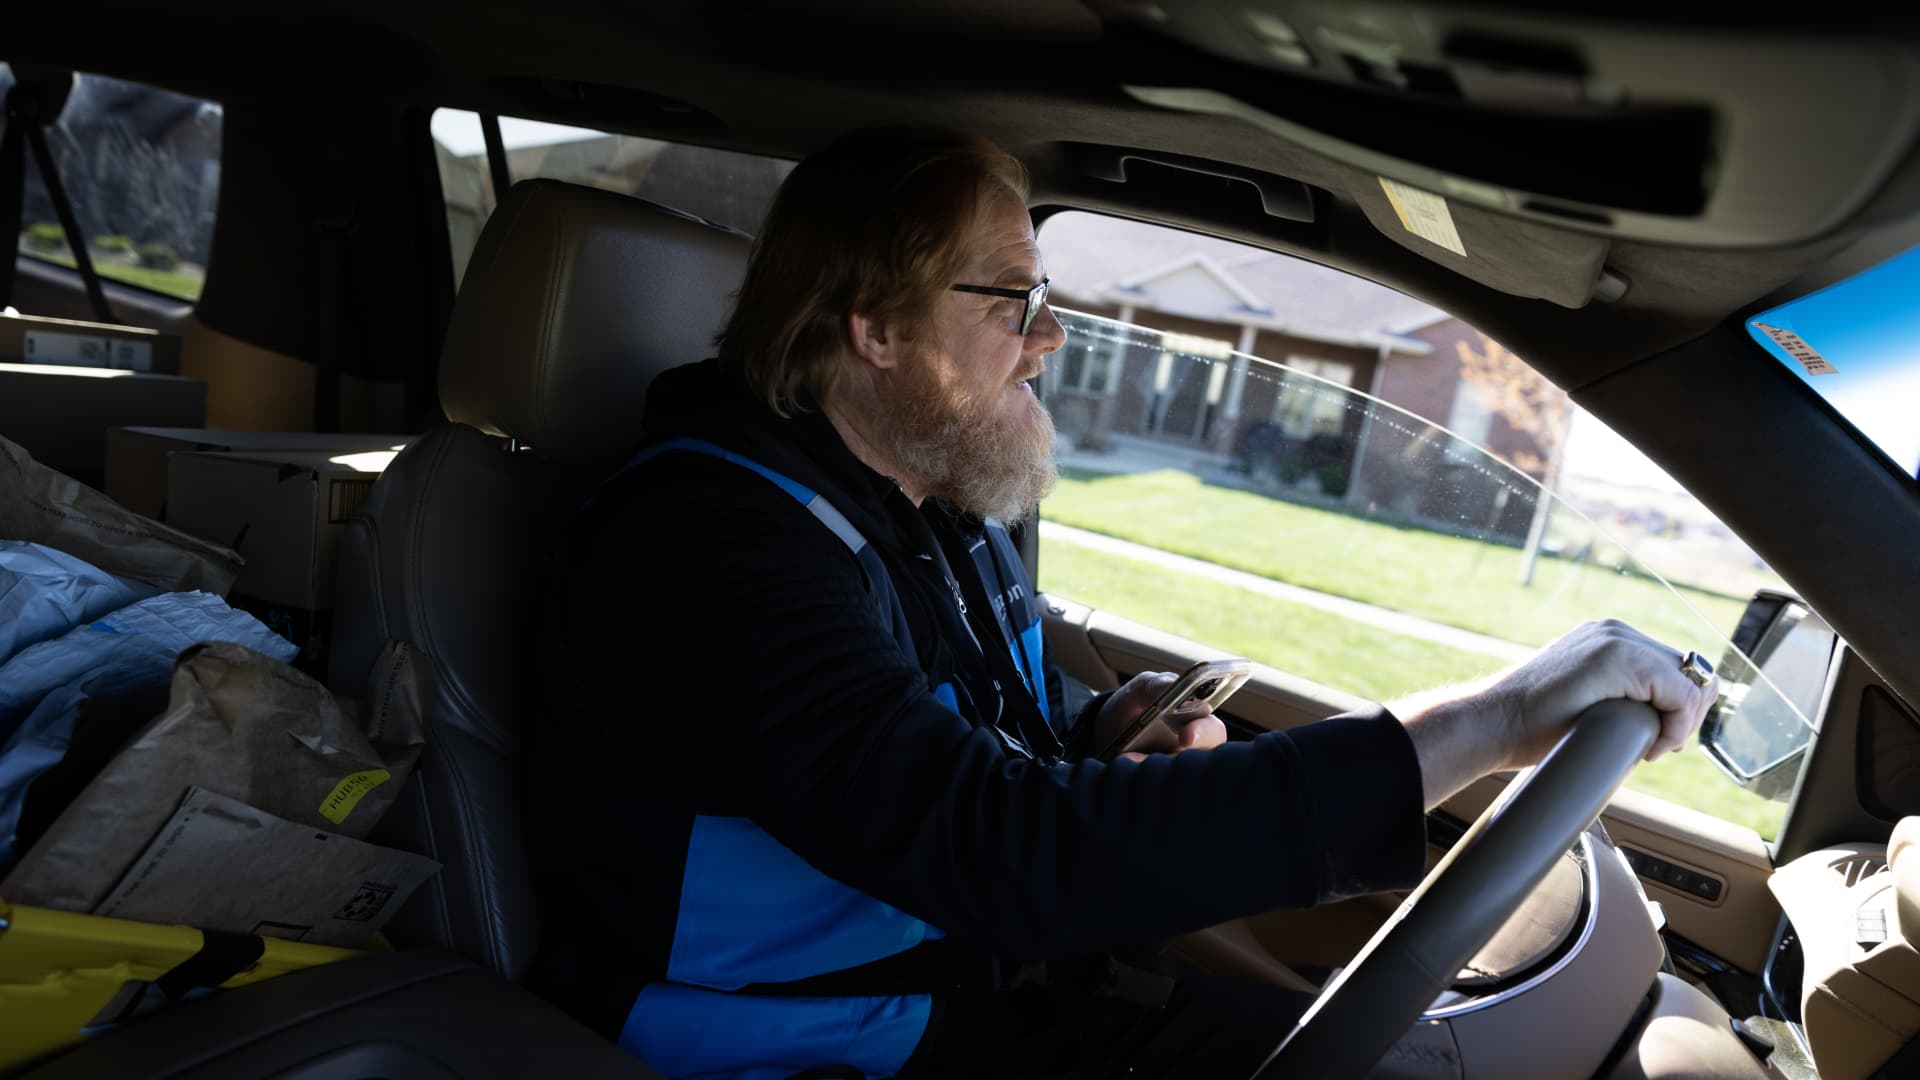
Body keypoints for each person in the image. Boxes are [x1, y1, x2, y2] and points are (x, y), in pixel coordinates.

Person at [526, 126, 1716, 1080]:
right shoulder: (704, 546)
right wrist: (1488, 722)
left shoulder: (923, 502)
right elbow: (996, 850)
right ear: (878, 328)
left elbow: (957, 762)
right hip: (817, 1041)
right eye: (1010, 302)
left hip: (982, 991)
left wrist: (1095, 735)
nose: (1047, 341)